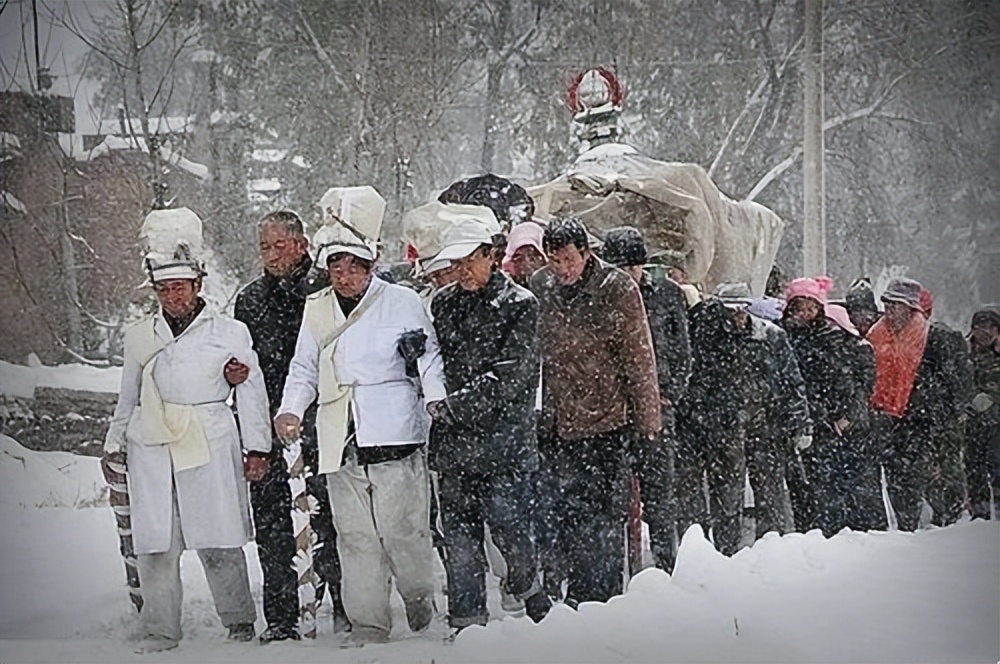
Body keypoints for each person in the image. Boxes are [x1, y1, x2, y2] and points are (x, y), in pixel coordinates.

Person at [275, 186, 447, 644]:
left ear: (371, 266)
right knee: (355, 537)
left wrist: (433, 397)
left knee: (403, 532)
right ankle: (369, 621)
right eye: (337, 265)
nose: (345, 275)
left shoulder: (403, 301)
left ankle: (417, 594)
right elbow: (303, 367)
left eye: (354, 266)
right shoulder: (316, 309)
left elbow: (429, 358)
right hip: (340, 433)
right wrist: (291, 410)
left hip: (395, 431)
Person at [104, 208, 270, 654]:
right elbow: (129, 394)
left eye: (180, 286)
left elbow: (252, 392)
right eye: (164, 288)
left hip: (210, 438)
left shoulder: (229, 332)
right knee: (156, 539)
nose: (172, 295)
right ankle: (161, 627)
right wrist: (114, 442)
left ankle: (237, 619)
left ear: (197, 285)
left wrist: (258, 447)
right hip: (153, 445)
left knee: (219, 536)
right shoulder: (140, 334)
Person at [424, 203, 552, 630]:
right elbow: (436, 361)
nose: (462, 270)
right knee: (459, 544)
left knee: (512, 537)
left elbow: (511, 375)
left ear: (492, 254)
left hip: (504, 445)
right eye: (455, 262)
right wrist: (415, 362)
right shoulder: (443, 305)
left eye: (469, 260)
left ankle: (533, 598)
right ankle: (466, 623)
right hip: (456, 449)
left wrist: (454, 406)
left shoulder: (521, 305)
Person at [530, 216, 661, 604]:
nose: (562, 269)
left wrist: (647, 423)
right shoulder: (541, 286)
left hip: (605, 419)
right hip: (555, 420)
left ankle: (600, 597)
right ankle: (567, 591)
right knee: (561, 513)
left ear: (586, 253)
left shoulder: (616, 287)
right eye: (554, 260)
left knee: (602, 517)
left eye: (568, 259)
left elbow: (640, 359)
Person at [233, 210, 347, 643]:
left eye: (280, 245)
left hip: (321, 421)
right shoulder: (249, 299)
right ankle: (281, 615)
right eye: (264, 246)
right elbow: (244, 360)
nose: (272, 254)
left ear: (301, 245)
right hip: (267, 422)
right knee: (273, 525)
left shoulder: (324, 289)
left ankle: (342, 603)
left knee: (328, 521)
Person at [601, 226, 690, 572]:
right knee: (612, 497)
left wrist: (669, 394)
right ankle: (616, 571)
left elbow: (681, 349)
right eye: (621, 268)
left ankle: (668, 566)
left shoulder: (668, 295)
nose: (628, 275)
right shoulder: (600, 296)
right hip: (612, 410)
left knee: (661, 496)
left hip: (658, 406)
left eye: (632, 267)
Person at [781, 277, 879, 535]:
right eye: (798, 307)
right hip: (807, 422)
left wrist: (846, 414)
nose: (803, 314)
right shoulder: (783, 339)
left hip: (838, 424)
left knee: (842, 484)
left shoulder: (836, 338)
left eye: (809, 307)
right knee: (809, 486)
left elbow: (856, 381)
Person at [867, 277, 963, 531]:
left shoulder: (936, 337)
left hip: (925, 419)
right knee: (897, 475)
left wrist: (941, 412)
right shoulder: (875, 336)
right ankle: (906, 525)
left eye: (895, 305)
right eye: (887, 304)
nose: (889, 310)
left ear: (911, 308)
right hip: (888, 418)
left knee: (930, 474)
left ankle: (946, 523)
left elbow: (953, 382)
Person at [917, 286, 973, 526]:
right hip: (924, 414)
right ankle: (944, 509)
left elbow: (955, 377)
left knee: (948, 464)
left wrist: (956, 409)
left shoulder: (940, 338)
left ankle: (952, 510)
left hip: (941, 413)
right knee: (927, 467)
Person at [966, 308, 1000, 519]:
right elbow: (958, 381)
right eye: (980, 327)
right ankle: (979, 516)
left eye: (990, 327)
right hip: (972, 424)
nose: (984, 332)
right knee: (974, 470)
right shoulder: (965, 354)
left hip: (997, 424)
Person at [502, 221, 547, 287]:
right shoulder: (504, 281)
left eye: (532, 256)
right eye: (519, 258)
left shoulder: (550, 280)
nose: (527, 263)